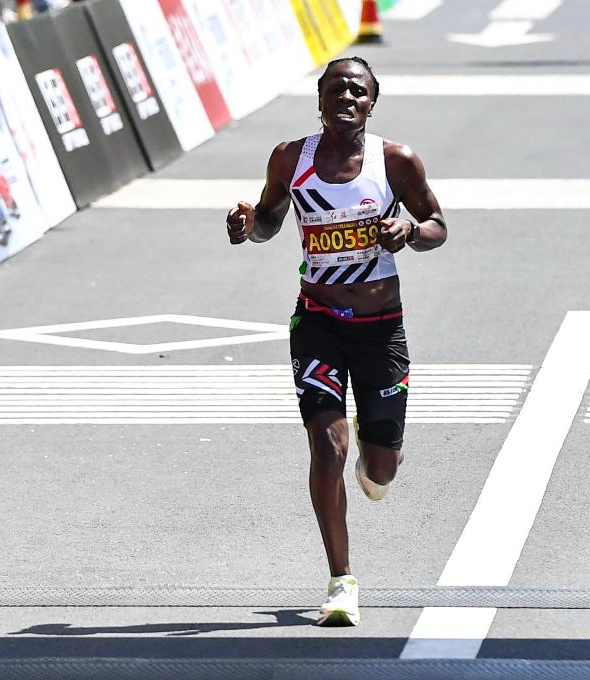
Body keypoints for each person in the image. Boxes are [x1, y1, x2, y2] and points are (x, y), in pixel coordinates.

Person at [226, 56, 446, 626]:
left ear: (372, 103)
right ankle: (341, 581)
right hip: (318, 323)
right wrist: (249, 225)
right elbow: (270, 220)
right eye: (335, 89)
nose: (346, 97)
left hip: (381, 329)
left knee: (382, 467)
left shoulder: (395, 161)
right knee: (327, 447)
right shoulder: (289, 159)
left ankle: (376, 459)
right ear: (320, 99)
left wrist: (410, 231)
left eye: (358, 90)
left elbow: (437, 226)